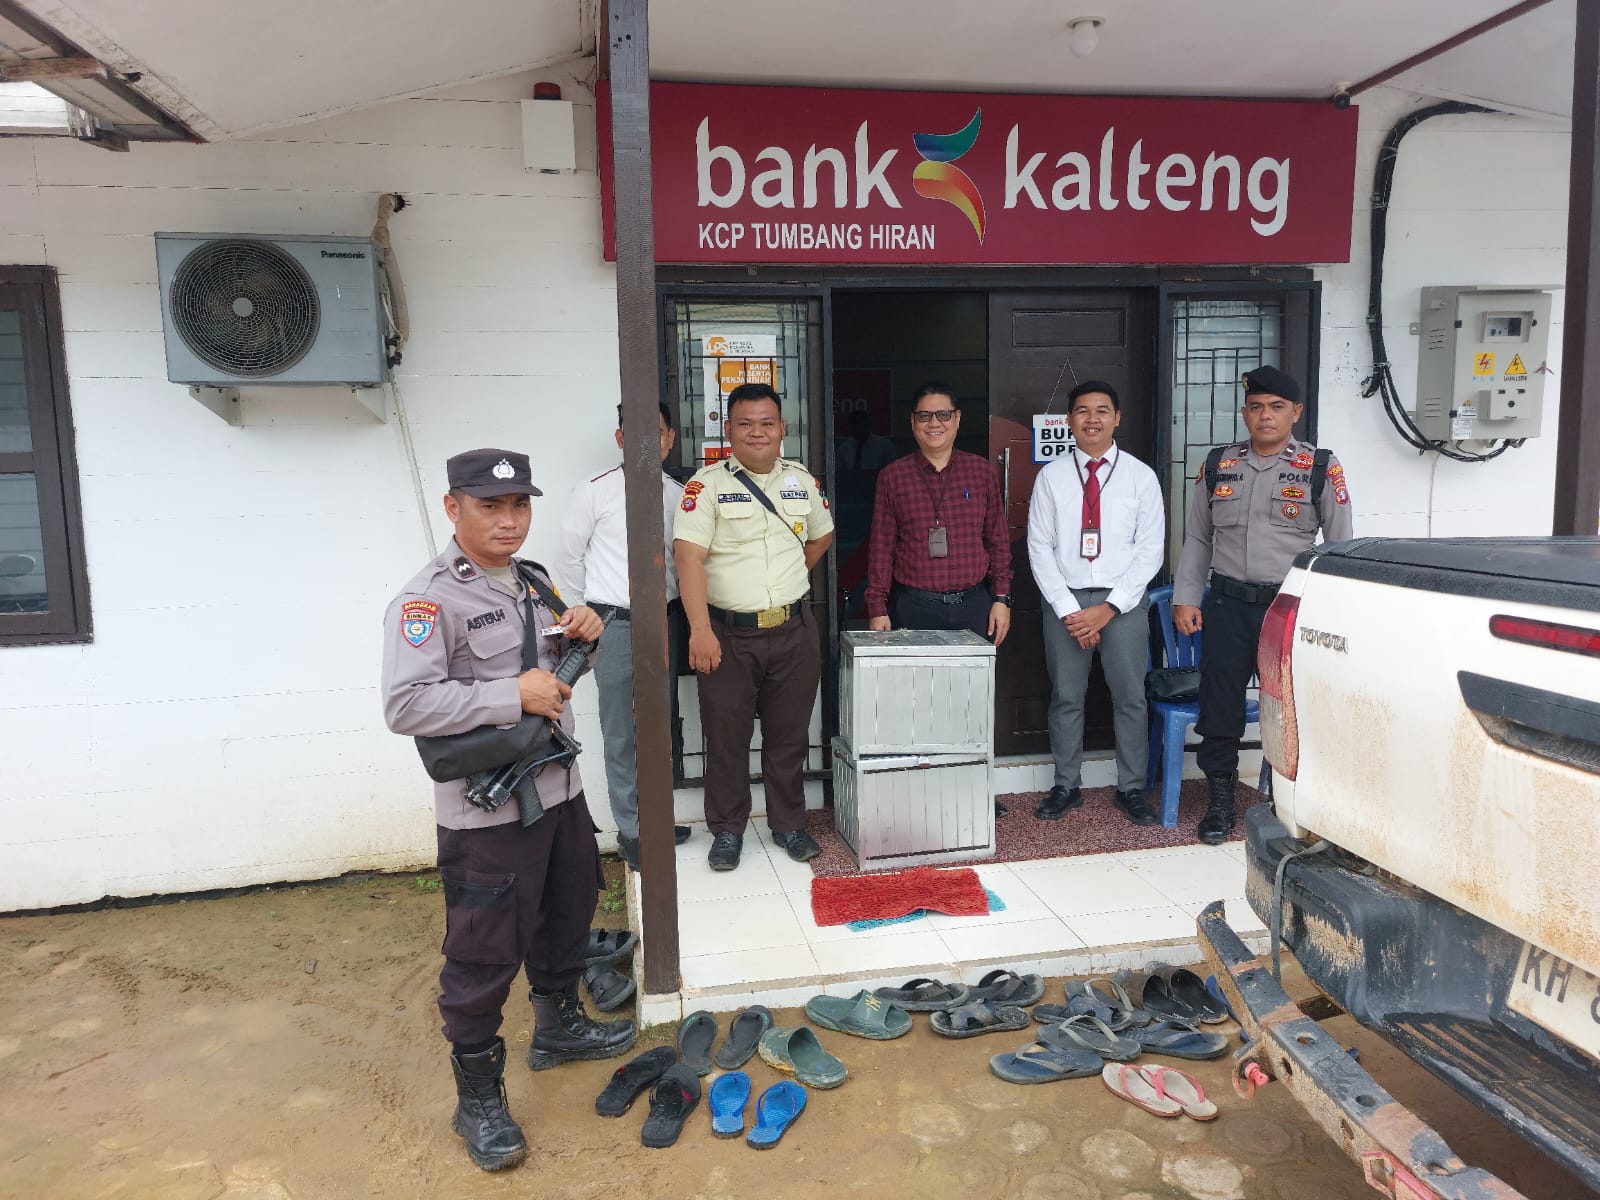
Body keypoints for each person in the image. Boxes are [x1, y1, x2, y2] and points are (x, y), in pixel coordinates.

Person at [380, 448, 635, 1173]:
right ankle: (478, 1100)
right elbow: (406, 705)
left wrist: (581, 633)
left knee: (568, 910)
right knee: (484, 950)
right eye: (489, 505)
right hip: (486, 813)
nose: (508, 519)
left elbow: (551, 671)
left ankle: (558, 1027)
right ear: (452, 507)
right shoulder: (428, 601)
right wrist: (508, 695)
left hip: (557, 790)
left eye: (519, 504)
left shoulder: (535, 580)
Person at [1173, 365, 1354, 844]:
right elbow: (1198, 538)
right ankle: (1220, 801)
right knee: (1220, 705)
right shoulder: (1220, 464)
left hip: (1287, 611)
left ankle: (1287, 802)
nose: (1265, 416)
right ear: (1244, 413)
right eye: (1256, 407)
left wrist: (1331, 614)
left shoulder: (1319, 467)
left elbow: (1339, 548)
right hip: (1228, 605)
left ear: (1296, 412)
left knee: (1289, 707)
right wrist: (1187, 596)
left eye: (1276, 407)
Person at [673, 382, 834, 872]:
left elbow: (820, 537)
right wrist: (700, 629)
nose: (757, 432)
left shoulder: (802, 480)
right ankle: (728, 830)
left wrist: (785, 581)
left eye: (767, 423)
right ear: (729, 430)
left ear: (782, 428)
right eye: (745, 424)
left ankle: (788, 824)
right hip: (727, 635)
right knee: (727, 738)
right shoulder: (705, 486)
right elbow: (688, 558)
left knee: (789, 735)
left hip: (793, 631)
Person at [556, 401, 691, 872]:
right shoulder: (594, 492)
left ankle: (657, 822)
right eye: (634, 431)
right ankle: (632, 832)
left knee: (659, 727)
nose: (646, 441)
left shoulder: (680, 496)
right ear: (620, 439)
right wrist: (590, 614)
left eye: (656, 432)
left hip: (665, 623)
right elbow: (568, 559)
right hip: (612, 626)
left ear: (670, 439)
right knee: (621, 731)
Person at [1027, 381, 1166, 825]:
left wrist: (1109, 608)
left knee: (1130, 698)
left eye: (1102, 410)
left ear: (1117, 418)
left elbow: (1151, 550)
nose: (1092, 419)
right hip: (1065, 602)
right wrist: (1069, 609)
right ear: (1069, 420)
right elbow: (1039, 547)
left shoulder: (1140, 477)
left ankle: (1132, 788)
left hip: (1121, 603)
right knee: (1067, 697)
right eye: (1083, 411)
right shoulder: (1051, 477)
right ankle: (1066, 785)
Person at [865, 382, 1013, 644]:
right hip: (914, 608)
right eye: (924, 416)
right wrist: (877, 607)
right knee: (914, 673)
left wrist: (1001, 598)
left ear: (957, 418)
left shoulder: (980, 471)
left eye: (943, 415)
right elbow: (882, 547)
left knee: (973, 673)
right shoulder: (893, 476)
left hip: (974, 606)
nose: (934, 423)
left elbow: (997, 541)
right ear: (913, 421)